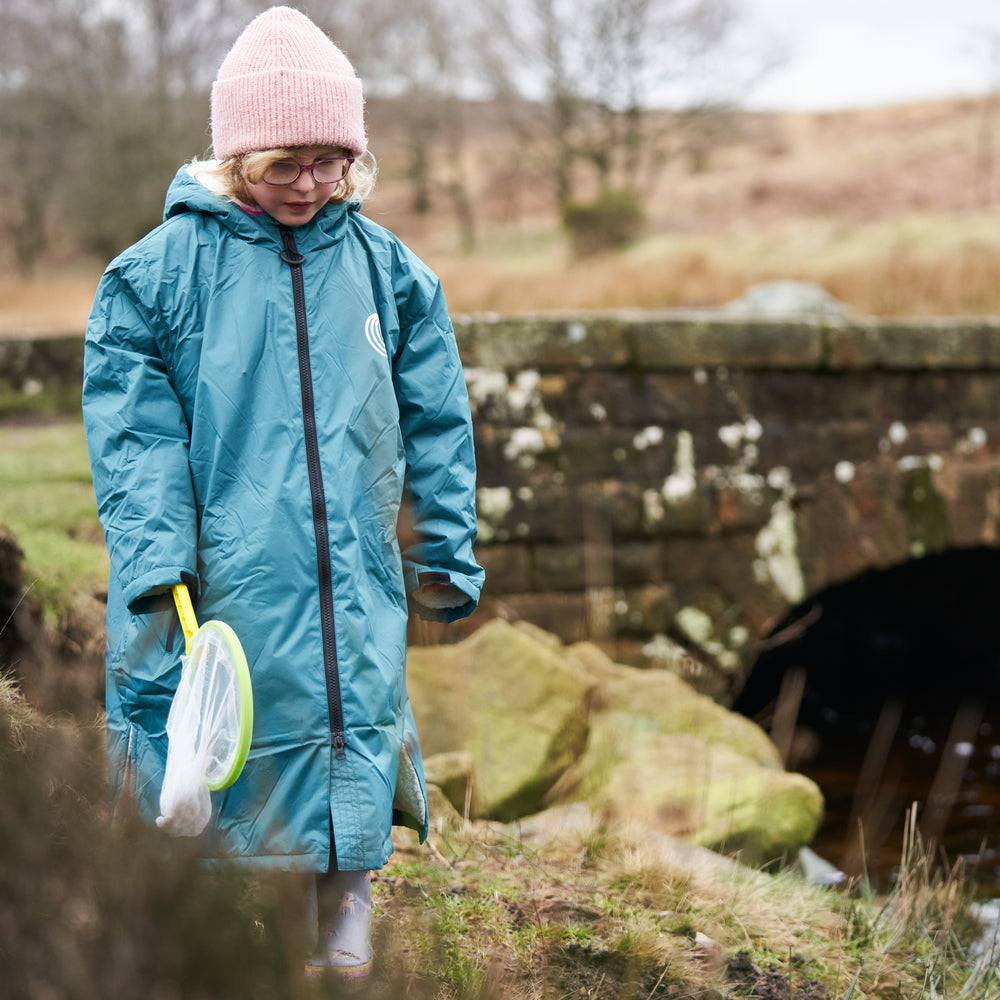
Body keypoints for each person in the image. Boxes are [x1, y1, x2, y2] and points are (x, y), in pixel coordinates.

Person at [82, 5, 483, 981]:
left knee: (350, 750)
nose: (311, 183)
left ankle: (344, 962)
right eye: (284, 162)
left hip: (354, 584)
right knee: (231, 778)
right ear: (235, 157)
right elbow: (135, 443)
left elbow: (438, 425)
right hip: (218, 584)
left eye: (330, 160)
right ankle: (228, 958)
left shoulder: (395, 277)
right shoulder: (152, 280)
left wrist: (444, 547)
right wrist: (157, 572)